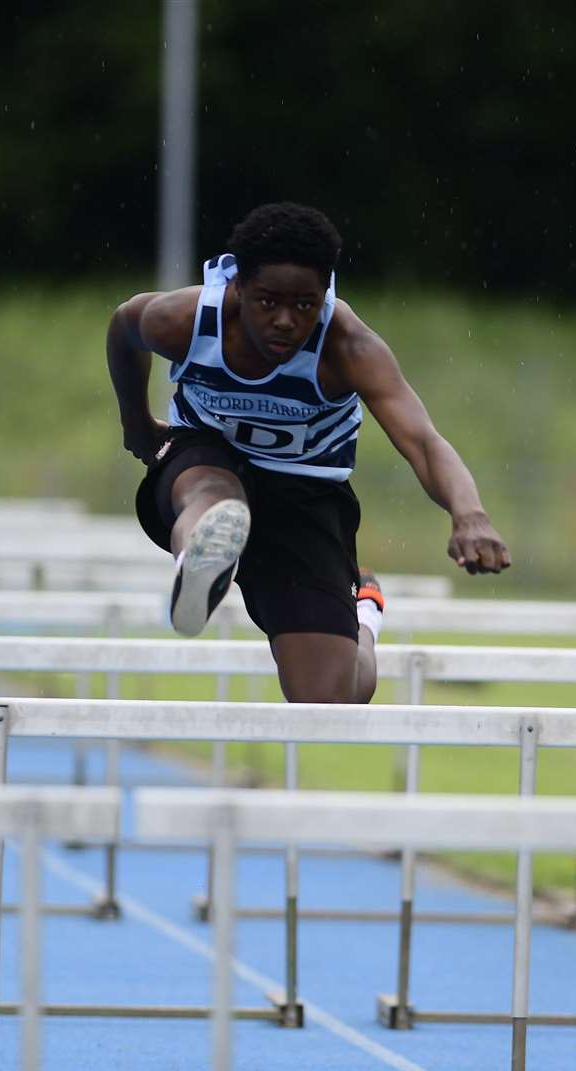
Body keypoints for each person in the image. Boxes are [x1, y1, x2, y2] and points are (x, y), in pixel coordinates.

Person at [108, 202, 511, 704]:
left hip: (306, 492)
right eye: (267, 302)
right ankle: (203, 553)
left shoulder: (348, 348)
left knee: (326, 700)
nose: (284, 322)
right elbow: (124, 326)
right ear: (237, 286)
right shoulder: (186, 320)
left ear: (325, 295)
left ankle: (365, 611)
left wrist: (469, 513)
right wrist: (136, 425)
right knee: (215, 490)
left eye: (304, 305)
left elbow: (424, 441)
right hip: (205, 457)